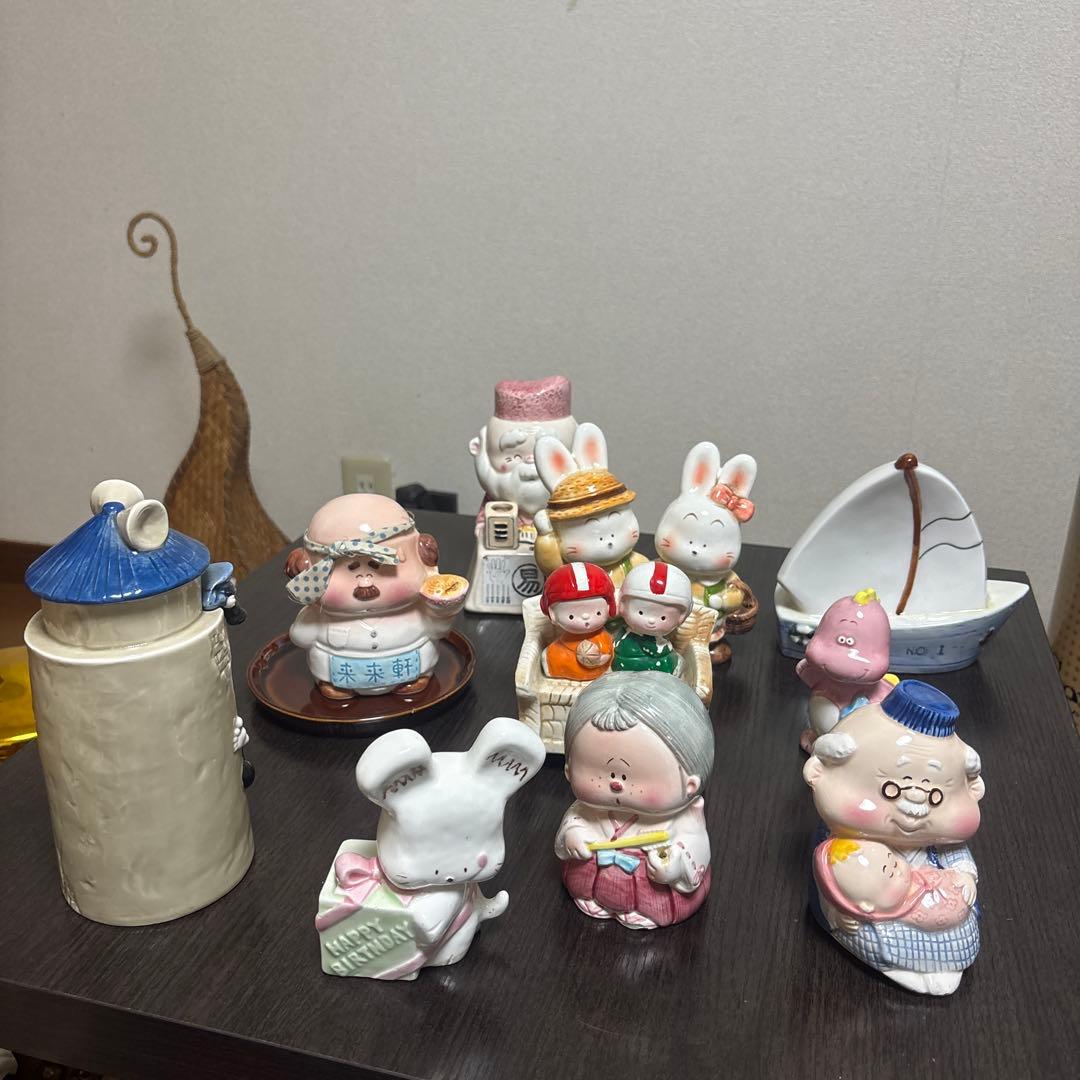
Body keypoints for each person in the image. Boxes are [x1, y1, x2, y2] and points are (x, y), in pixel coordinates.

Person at [556, 672, 714, 930]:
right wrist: (572, 835)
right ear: (569, 770)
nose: (616, 783)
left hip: (650, 889)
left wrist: (675, 865)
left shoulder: (684, 818)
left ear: (690, 784)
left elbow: (694, 844)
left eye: (640, 776)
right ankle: (592, 897)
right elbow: (574, 822)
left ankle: (647, 911)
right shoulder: (589, 809)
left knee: (659, 894)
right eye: (596, 771)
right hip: (593, 877)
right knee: (581, 873)